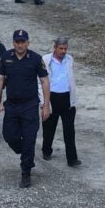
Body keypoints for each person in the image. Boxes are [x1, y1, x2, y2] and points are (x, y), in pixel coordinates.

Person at [0, 29, 51, 188]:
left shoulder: (35, 59)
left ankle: (26, 171)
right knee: (9, 135)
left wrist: (45, 105)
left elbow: (45, 81)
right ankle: (21, 149)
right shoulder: (6, 57)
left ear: (27, 42)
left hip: (30, 106)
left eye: (23, 42)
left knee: (29, 139)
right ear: (13, 43)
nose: (20, 45)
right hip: (11, 105)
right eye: (17, 42)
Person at [39, 37, 81, 167]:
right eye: (61, 48)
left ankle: (72, 159)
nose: (63, 51)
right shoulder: (45, 60)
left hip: (67, 98)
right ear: (55, 48)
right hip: (51, 97)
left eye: (65, 49)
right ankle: (46, 150)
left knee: (69, 130)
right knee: (49, 128)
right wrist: (43, 102)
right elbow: (40, 81)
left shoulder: (69, 59)